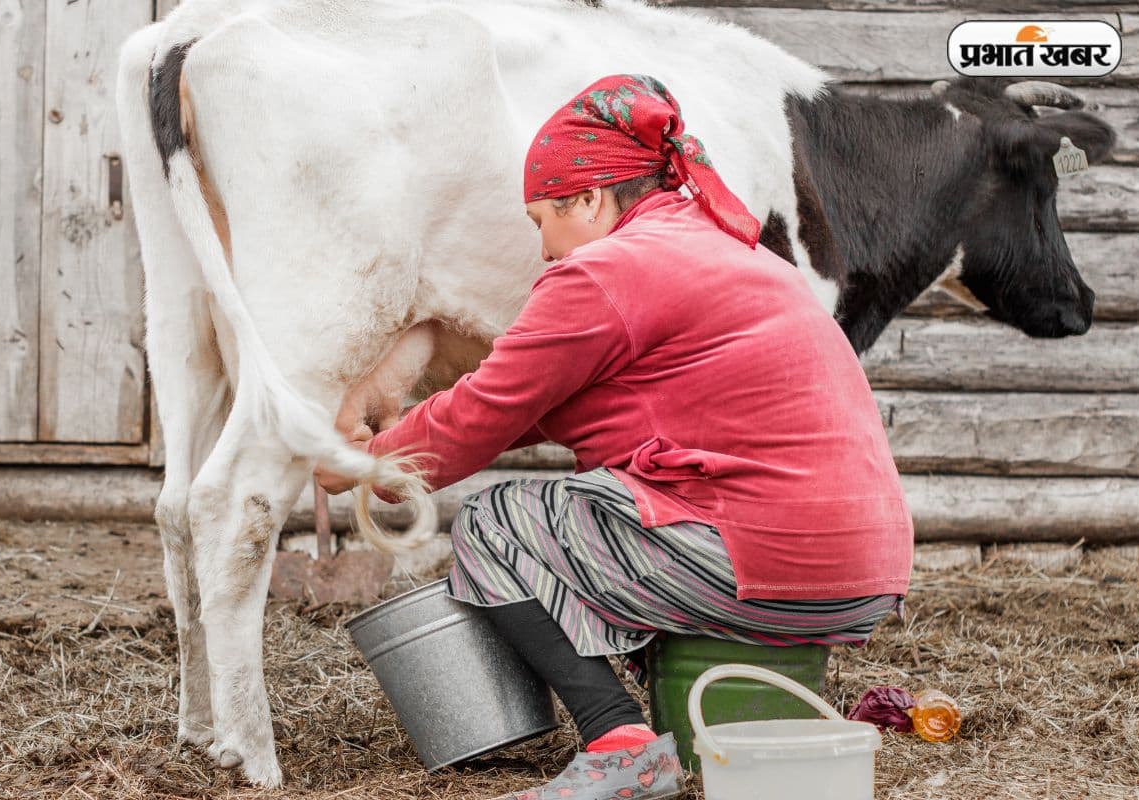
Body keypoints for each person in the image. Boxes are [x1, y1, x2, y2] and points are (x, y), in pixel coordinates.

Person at [318, 74, 913, 800]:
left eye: (542, 219)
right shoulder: (737, 255)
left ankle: (618, 742)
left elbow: (484, 414)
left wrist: (359, 462)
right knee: (599, 512)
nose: (543, 249)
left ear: (592, 199)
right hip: (860, 574)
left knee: (499, 523)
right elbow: (536, 409)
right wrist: (403, 428)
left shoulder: (608, 271)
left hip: (760, 555)